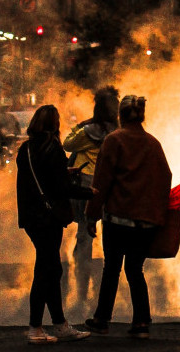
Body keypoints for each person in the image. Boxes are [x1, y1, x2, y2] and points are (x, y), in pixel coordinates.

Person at [83, 95, 171, 339]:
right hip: (145, 223)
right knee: (135, 270)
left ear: (120, 115)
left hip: (118, 220)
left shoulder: (114, 141)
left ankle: (101, 320)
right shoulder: (153, 144)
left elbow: (101, 181)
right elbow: (165, 178)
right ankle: (141, 322)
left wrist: (92, 215)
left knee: (111, 268)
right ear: (142, 115)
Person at [16, 104, 95, 344]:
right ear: (54, 124)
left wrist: (63, 171)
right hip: (48, 218)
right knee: (45, 271)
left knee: (51, 268)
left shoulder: (26, 149)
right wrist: (89, 192)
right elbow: (61, 187)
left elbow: (38, 178)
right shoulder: (54, 148)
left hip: (31, 218)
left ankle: (59, 324)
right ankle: (36, 328)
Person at [62, 86, 119, 304]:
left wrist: (80, 125)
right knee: (111, 239)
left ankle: (81, 293)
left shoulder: (87, 132)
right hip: (110, 188)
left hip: (85, 187)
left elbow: (68, 144)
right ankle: (108, 294)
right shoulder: (118, 132)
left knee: (84, 238)